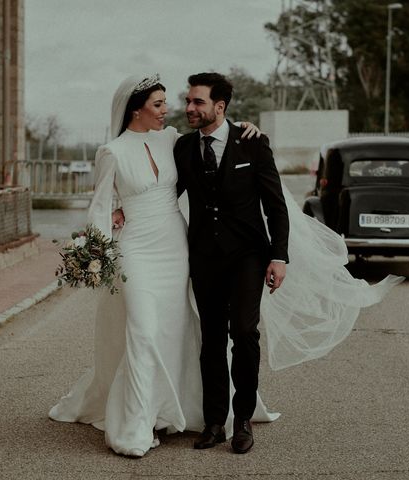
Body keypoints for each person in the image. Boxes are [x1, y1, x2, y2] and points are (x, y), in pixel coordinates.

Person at [48, 74, 274, 458]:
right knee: (144, 331)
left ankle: (183, 412)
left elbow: (206, 165)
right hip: (137, 250)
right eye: (159, 104)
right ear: (136, 109)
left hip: (177, 248)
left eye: (169, 103)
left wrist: (244, 128)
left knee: (178, 331)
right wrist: (98, 249)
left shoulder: (173, 140)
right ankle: (137, 421)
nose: (169, 110)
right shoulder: (112, 152)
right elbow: (100, 205)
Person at [173, 72, 289, 454]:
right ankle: (213, 422)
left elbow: (275, 205)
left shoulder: (252, 144)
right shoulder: (183, 148)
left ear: (219, 106)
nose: (189, 108)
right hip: (204, 256)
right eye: (188, 101)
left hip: (248, 256)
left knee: (244, 332)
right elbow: (162, 194)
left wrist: (279, 255)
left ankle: (242, 421)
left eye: (198, 102)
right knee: (211, 340)